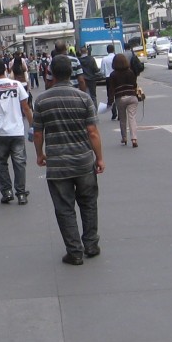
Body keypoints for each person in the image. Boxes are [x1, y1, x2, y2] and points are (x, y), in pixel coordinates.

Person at [32, 55, 105, 266]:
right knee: (88, 203)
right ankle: (91, 244)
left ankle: (74, 251)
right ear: (72, 73)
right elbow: (92, 131)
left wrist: (40, 154)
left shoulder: (42, 100)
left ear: (51, 74)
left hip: (57, 164)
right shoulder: (83, 98)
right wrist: (99, 158)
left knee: (64, 208)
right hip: (83, 161)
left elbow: (38, 133)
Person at [0, 58, 33, 205]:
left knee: (0, 163)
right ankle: (21, 194)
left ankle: (7, 192)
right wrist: (32, 124)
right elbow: (26, 107)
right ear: (6, 68)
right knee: (19, 163)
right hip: (17, 130)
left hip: (1, 132)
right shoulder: (17, 84)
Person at [110, 53, 140, 148]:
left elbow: (111, 89)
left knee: (122, 118)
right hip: (132, 96)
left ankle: (124, 137)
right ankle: (134, 138)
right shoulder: (130, 72)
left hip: (120, 98)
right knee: (132, 118)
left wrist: (110, 101)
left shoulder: (113, 74)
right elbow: (135, 85)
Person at [100, 44, 117, 119]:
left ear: (107, 50)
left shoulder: (104, 59)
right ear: (113, 49)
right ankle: (120, 114)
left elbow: (102, 71)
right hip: (117, 77)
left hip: (108, 78)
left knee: (110, 95)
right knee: (118, 94)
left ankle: (114, 113)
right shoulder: (116, 57)